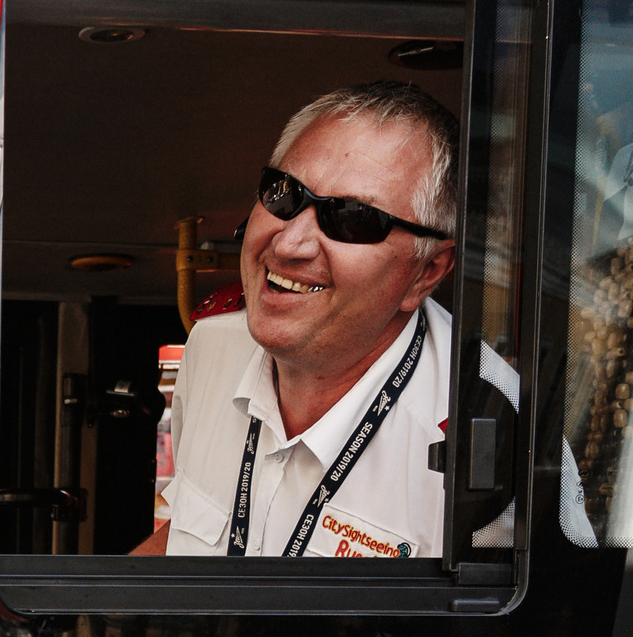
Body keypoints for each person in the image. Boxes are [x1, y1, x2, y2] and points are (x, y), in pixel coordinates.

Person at [138, 81, 472, 561]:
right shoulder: (212, 347)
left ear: (427, 271)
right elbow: (188, 537)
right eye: (285, 194)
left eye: (353, 218)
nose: (289, 244)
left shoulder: (494, 436)